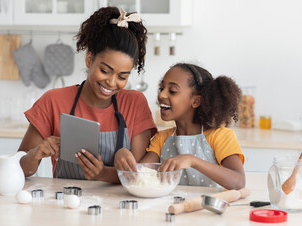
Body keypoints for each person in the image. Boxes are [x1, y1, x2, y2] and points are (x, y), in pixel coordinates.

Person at [18, 7, 157, 183]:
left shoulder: (134, 103)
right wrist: (35, 154)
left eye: (122, 76)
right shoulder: (53, 101)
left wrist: (103, 173)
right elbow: (19, 169)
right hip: (67, 203)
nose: (112, 82)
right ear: (89, 59)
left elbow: (140, 175)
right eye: (105, 71)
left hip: (121, 207)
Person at [115, 63, 245, 190]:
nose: (161, 95)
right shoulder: (161, 138)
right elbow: (139, 176)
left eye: (172, 91)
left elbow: (238, 181)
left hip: (206, 209)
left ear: (195, 101)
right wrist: (123, 155)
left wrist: (192, 161)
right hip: (170, 209)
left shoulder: (220, 136)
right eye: (161, 89)